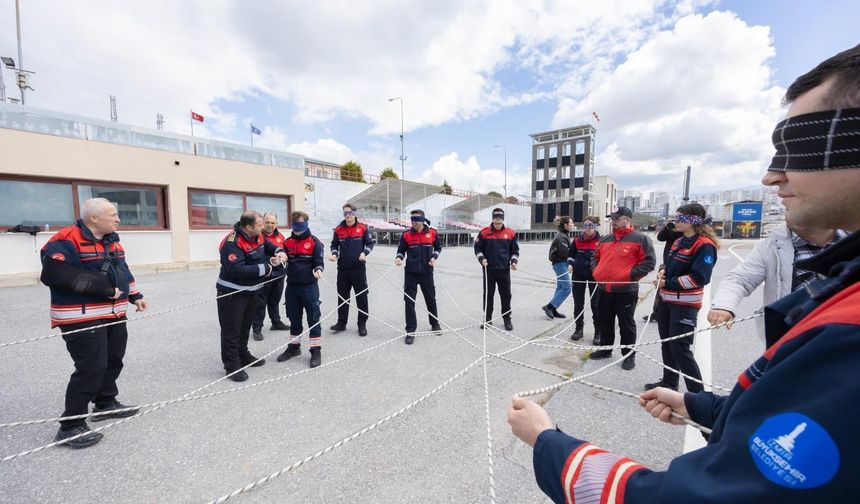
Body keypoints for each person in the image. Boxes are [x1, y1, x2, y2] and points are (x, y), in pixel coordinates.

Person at [507, 44, 860, 503]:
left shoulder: (845, 335)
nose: (772, 177)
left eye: (796, 147)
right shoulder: (838, 288)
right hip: (644, 298)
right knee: (644, 344)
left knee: (678, 350)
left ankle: (676, 378)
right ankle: (680, 386)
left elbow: (701, 494)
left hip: (680, 302)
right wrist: (709, 409)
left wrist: (548, 443)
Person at [40, 198, 147, 448]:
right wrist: (105, 290)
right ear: (94, 218)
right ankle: (70, 426)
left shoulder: (113, 241)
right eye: (113, 215)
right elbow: (55, 275)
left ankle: (105, 402)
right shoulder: (66, 239)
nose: (118, 219)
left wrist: (135, 295)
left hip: (114, 314)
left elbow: (123, 271)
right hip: (81, 317)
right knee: (91, 367)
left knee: (113, 360)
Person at [708, 222, 846, 346]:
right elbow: (740, 278)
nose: (784, 197)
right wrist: (724, 305)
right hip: (789, 338)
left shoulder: (851, 240)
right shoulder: (772, 244)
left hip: (845, 336)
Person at [644, 203, 719, 393]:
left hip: (684, 305)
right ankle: (670, 382)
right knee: (667, 344)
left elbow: (700, 278)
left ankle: (698, 394)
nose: (675, 221)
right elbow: (668, 263)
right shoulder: (678, 241)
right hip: (666, 301)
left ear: (693, 221)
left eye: (680, 218)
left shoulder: (704, 246)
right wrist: (662, 271)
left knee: (681, 349)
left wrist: (667, 283)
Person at [216, 211, 287, 382]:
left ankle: (243, 355)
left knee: (244, 327)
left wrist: (279, 251)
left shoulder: (258, 235)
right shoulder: (231, 243)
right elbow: (237, 270)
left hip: (252, 291)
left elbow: (269, 246)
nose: (264, 228)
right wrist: (267, 268)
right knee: (231, 331)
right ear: (248, 227)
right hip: (233, 293)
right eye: (260, 225)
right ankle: (232, 366)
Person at [589, 206, 656, 370]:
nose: (613, 222)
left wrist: (630, 275)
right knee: (605, 321)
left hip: (625, 291)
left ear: (627, 219)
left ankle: (628, 355)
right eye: (612, 219)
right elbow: (595, 257)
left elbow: (649, 262)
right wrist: (596, 271)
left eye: (617, 219)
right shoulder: (606, 239)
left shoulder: (641, 239)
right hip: (604, 289)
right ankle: (605, 350)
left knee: (626, 324)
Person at [277, 211, 325, 368]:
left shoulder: (314, 242)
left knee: (313, 319)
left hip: (309, 287)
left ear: (306, 225)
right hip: (291, 287)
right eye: (296, 225)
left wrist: (318, 269)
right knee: (294, 320)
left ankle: (315, 350)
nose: (298, 229)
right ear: (292, 225)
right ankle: (294, 348)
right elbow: (283, 258)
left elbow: (319, 261)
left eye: (301, 225)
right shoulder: (288, 242)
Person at [395, 209, 442, 344]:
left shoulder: (432, 233)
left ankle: (434, 324)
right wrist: (399, 258)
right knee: (409, 302)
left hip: (427, 273)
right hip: (410, 273)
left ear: (422, 220)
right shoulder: (406, 235)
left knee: (430, 299)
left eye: (416, 220)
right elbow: (401, 250)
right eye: (412, 220)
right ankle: (410, 331)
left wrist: (434, 257)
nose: (414, 222)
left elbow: (438, 248)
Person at [329, 203, 375, 337]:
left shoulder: (362, 228)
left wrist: (364, 253)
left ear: (354, 214)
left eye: (349, 213)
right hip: (343, 269)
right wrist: (334, 254)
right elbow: (334, 245)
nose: (347, 216)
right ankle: (341, 323)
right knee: (342, 297)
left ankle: (362, 324)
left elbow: (370, 243)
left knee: (362, 297)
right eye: (345, 213)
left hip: (358, 269)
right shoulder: (338, 229)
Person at [474, 207, 519, 331]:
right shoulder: (484, 233)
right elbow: (477, 248)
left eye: (500, 216)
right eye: (495, 216)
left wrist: (514, 261)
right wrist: (481, 258)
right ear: (492, 218)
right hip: (489, 270)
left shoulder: (510, 233)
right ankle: (487, 319)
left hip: (504, 270)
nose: (497, 218)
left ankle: (507, 319)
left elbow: (515, 251)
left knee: (506, 295)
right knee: (488, 295)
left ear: (503, 218)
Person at [251, 213, 290, 341]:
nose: (270, 225)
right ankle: (257, 328)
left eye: (273, 223)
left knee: (275, 300)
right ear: (262, 222)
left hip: (279, 275)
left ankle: (276, 322)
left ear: (276, 224)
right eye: (267, 222)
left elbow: (284, 253)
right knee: (260, 303)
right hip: (263, 275)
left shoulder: (281, 237)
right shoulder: (257, 236)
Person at [567, 215, 601, 342]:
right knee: (578, 303)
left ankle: (598, 331)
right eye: (586, 226)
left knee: (596, 305)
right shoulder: (577, 240)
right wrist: (570, 264)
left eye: (590, 226)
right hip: (578, 275)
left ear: (595, 226)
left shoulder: (601, 241)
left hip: (595, 276)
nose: (588, 229)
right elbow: (571, 256)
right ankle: (578, 329)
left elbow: (603, 258)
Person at [643, 221, 684, 323]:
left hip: (679, 262)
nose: (677, 221)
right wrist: (667, 227)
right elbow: (660, 237)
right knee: (660, 289)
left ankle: (673, 313)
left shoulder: (686, 233)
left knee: (673, 287)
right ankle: (657, 312)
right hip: (667, 263)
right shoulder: (672, 229)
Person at [541, 216, 573, 320]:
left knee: (560, 287)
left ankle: (553, 309)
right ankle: (549, 307)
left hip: (561, 263)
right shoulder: (561, 237)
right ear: (565, 225)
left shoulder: (564, 235)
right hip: (560, 264)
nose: (572, 225)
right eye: (571, 223)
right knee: (567, 288)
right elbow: (565, 252)